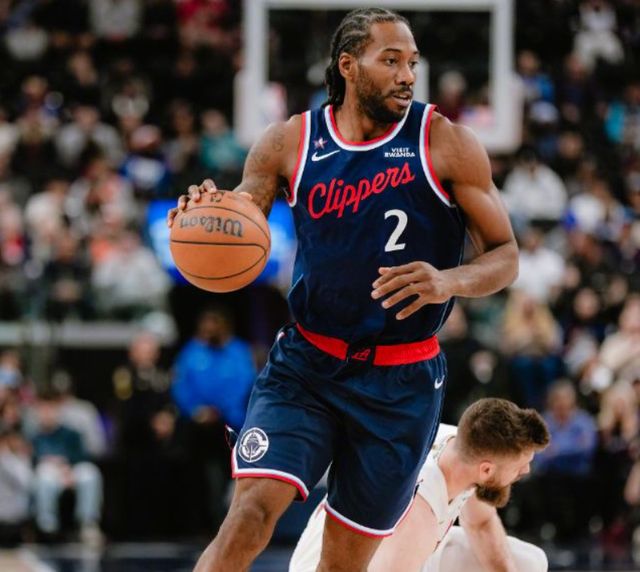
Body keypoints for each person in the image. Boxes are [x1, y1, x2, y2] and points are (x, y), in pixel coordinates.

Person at [168, 8, 518, 571]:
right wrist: (203, 216)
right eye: (391, 61)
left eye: (412, 63)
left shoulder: (445, 142)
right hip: (308, 365)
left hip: (401, 381)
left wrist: (447, 280)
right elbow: (238, 218)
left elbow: (505, 256)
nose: (408, 75)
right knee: (250, 515)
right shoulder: (289, 141)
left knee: (342, 565)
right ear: (348, 65)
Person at [290, 399, 550, 572]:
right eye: (520, 466)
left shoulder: (464, 446)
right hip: (329, 566)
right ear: (486, 470)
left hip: (398, 554)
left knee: (529, 562)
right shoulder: (417, 515)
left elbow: (481, 524)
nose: (526, 471)